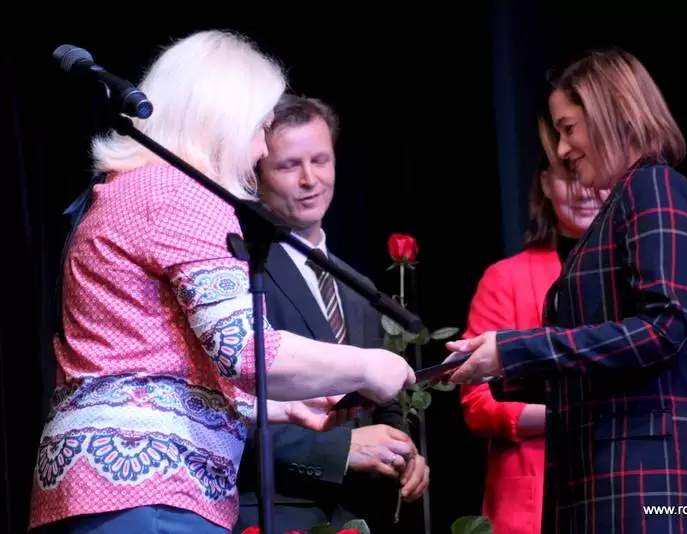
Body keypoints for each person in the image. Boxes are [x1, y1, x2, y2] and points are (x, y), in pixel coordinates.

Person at [29, 30, 415, 534]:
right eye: (260, 127)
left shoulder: (127, 188)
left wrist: (277, 407)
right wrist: (367, 366)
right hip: (151, 488)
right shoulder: (180, 193)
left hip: (95, 482)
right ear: (227, 122)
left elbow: (146, 358)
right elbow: (246, 350)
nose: (260, 149)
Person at [445, 48, 687, 533]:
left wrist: (515, 350)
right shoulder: (623, 205)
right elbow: (602, 359)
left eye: (568, 129)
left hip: (652, 483)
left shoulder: (655, 187)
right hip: (608, 480)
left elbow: (663, 328)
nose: (562, 150)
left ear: (610, 114)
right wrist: (496, 361)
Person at [235, 94, 429, 534]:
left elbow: (379, 404)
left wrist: (404, 452)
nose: (310, 179)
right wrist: (340, 450)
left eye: (320, 160)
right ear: (256, 173)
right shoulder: (241, 272)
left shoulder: (357, 287)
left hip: (358, 517)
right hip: (275, 514)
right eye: (289, 165)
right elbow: (224, 412)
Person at [459, 156, 607, 534]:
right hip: (530, 501)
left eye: (594, 174)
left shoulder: (634, 273)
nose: (584, 191)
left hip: (621, 486)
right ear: (544, 183)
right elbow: (478, 404)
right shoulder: (505, 278)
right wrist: (566, 415)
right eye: (568, 177)